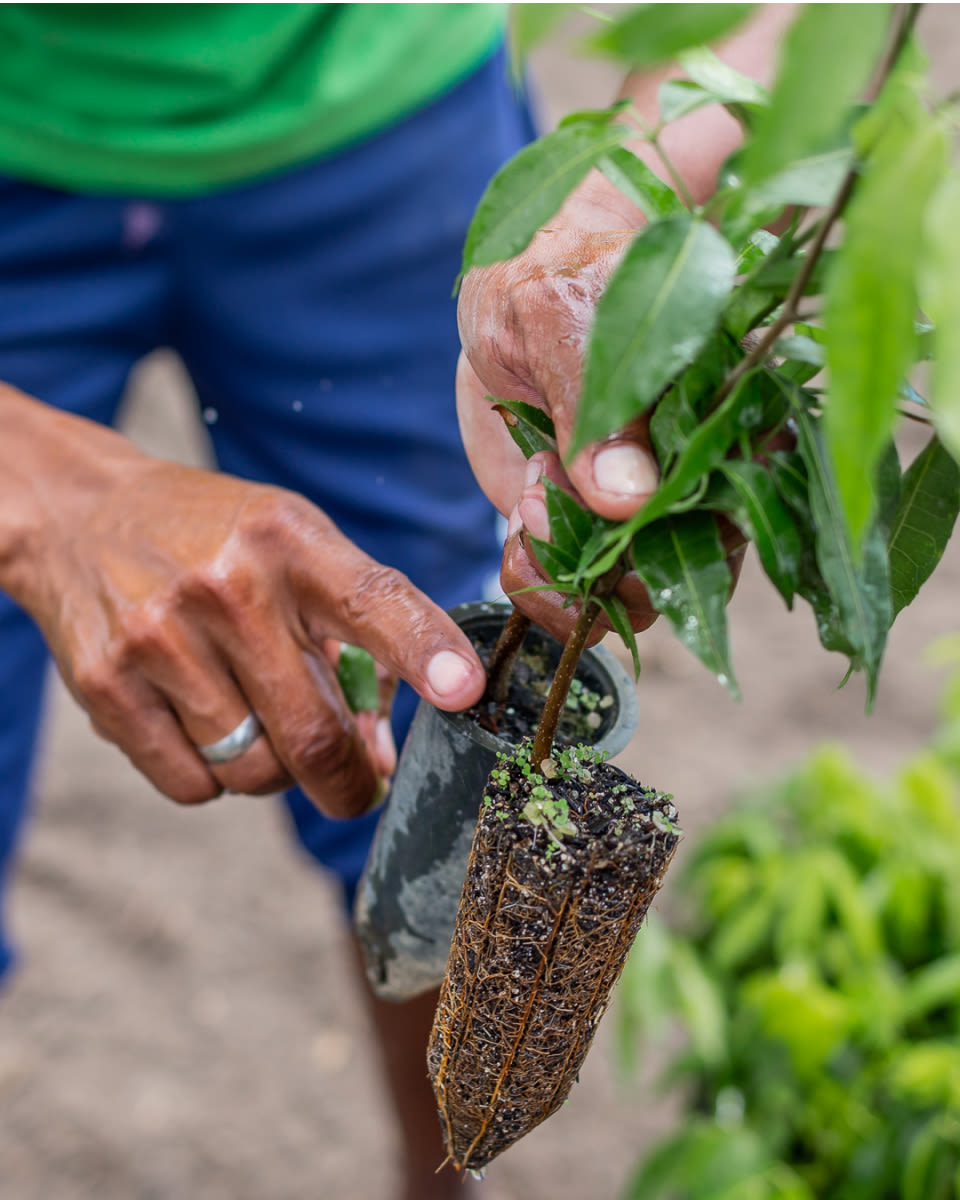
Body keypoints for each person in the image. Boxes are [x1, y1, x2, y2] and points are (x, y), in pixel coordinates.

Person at [0, 5, 790, 1197]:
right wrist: (41, 498)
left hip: (376, 107)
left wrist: (635, 188)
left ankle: (442, 1180)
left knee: (445, 734)